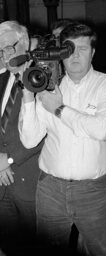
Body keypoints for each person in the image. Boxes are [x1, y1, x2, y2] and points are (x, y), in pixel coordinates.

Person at [18, 22, 106, 255]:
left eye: (83, 49)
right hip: (50, 189)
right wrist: (28, 97)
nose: (75, 55)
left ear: (93, 53)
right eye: (69, 49)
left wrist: (59, 109)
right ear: (60, 54)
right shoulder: (49, 86)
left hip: (93, 191)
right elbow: (30, 140)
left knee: (102, 251)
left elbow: (102, 130)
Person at [0, 21, 43, 255]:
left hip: (29, 180)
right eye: (0, 51)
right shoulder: (4, 78)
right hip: (2, 183)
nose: (5, 56)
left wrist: (7, 160)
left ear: (24, 44)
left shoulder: (44, 77)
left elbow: (42, 134)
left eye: (9, 48)